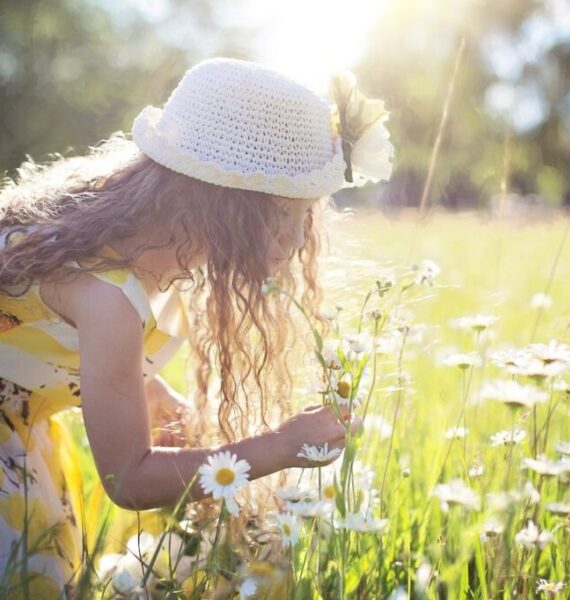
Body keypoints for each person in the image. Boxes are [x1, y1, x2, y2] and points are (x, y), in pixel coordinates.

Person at [0, 56, 390, 597]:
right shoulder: (109, 295)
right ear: (224, 204)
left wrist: (147, 389)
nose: (302, 239)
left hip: (24, 429)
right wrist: (278, 446)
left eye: (310, 215)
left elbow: (34, 337)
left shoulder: (146, 243)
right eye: (286, 213)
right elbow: (127, 479)